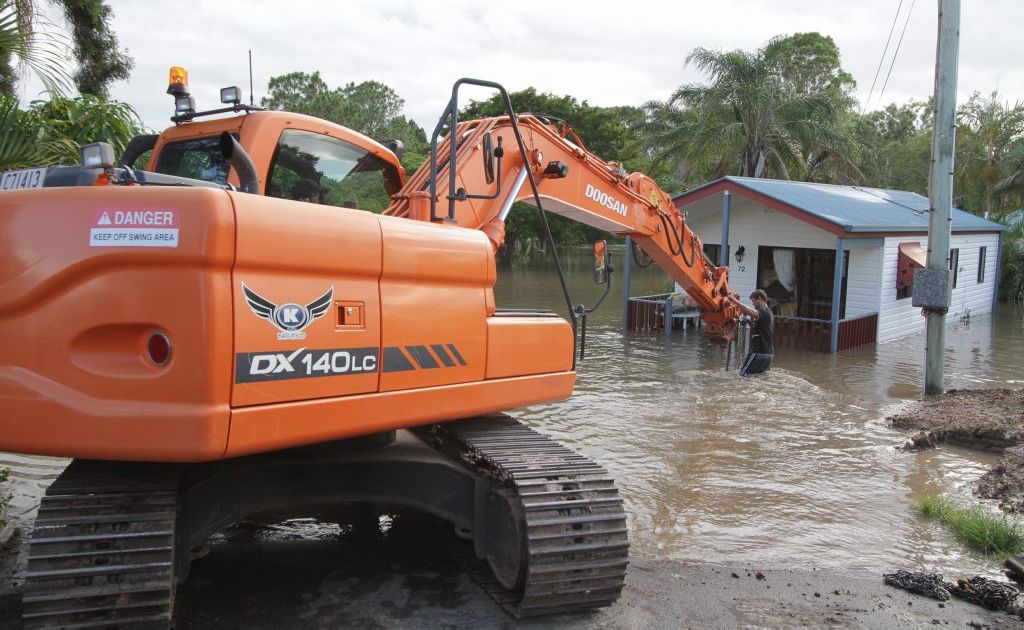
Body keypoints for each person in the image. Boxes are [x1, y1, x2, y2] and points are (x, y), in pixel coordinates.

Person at [728, 289, 774, 376]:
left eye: (753, 301)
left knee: (743, 375)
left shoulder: (764, 311)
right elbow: (760, 330)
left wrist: (735, 301)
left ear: (759, 299)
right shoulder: (769, 313)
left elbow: (752, 312)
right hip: (768, 355)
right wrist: (748, 321)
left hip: (758, 352)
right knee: (757, 378)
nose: (753, 304)